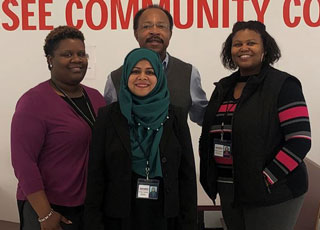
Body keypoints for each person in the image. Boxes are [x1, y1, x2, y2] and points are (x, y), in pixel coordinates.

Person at [199, 21, 311, 230]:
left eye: (251, 43)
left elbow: (300, 141)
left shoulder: (284, 86)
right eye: (237, 44)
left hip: (272, 190)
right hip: (229, 188)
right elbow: (210, 134)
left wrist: (266, 179)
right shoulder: (223, 87)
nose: (243, 48)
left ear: (265, 49)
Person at [84, 48, 197, 230]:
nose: (142, 77)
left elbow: (187, 177)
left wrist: (189, 223)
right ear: (126, 74)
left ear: (159, 76)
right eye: (135, 71)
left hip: (166, 217)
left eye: (150, 72)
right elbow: (96, 176)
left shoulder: (175, 116)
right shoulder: (108, 116)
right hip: (119, 219)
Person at [11, 26, 106, 230]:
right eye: (67, 54)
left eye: (81, 53)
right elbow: (23, 163)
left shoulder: (97, 98)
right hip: (48, 208)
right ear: (50, 59)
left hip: (87, 206)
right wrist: (46, 214)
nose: (77, 59)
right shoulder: (33, 102)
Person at [104, 4, 208, 125]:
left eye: (161, 26)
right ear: (136, 33)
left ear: (170, 33)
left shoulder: (188, 73)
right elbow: (108, 125)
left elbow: (204, 118)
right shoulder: (115, 78)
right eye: (147, 26)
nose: (154, 31)